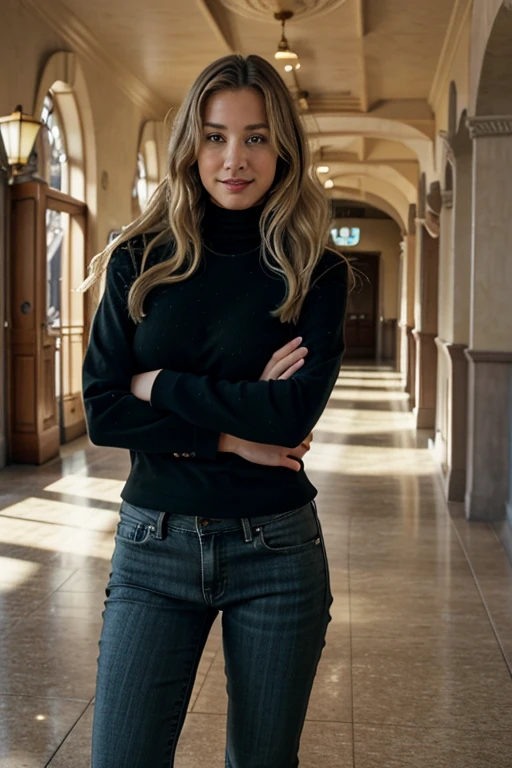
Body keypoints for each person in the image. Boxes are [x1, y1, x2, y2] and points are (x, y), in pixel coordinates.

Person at [81, 53, 350, 768]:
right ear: (189, 146)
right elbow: (105, 411)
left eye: (256, 137)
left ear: (283, 147)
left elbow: (289, 416)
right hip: (152, 547)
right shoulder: (137, 259)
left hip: (277, 551)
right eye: (215, 136)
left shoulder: (315, 269)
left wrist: (159, 381)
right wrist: (235, 432)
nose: (234, 159)